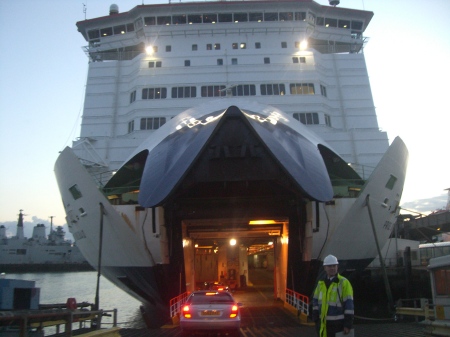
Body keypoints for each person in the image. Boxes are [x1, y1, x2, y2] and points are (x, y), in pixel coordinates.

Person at [312, 254, 354, 337]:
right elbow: (315, 302)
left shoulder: (344, 283)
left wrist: (347, 324)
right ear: (324, 268)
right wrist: (316, 318)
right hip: (323, 323)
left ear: (337, 267)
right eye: (329, 266)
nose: (332, 268)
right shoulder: (321, 283)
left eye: (334, 266)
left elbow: (349, 306)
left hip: (338, 324)